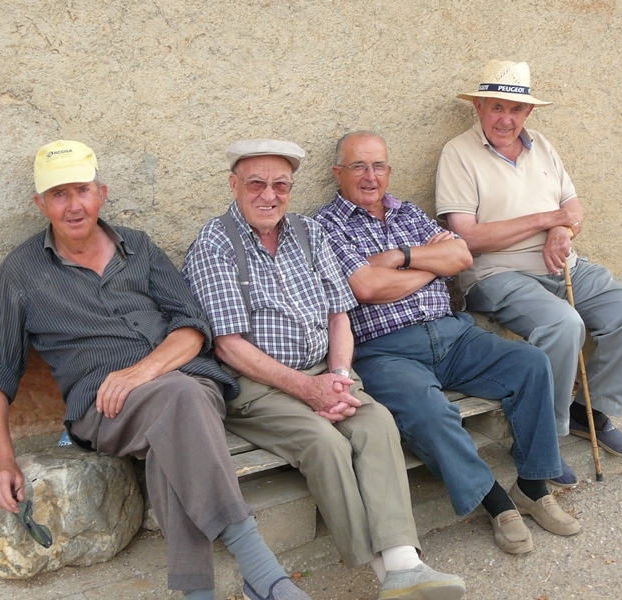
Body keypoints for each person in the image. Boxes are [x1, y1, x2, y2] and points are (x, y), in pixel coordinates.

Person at [0, 140, 311, 600]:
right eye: (59, 194)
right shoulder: (22, 271)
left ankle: (199, 593)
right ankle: (263, 572)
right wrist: (4, 462)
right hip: (105, 407)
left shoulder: (139, 247)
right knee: (179, 403)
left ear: (102, 193)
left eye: (82, 190)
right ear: (40, 204)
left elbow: (193, 326)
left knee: (175, 420)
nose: (74, 205)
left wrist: (141, 372)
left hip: (187, 383)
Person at [183, 138, 466, 600]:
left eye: (280, 185)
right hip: (256, 385)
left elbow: (339, 316)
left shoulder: (308, 232)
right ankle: (384, 572)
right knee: (325, 443)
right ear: (234, 185)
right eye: (256, 184)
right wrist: (307, 389)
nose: (269, 195)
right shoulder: (215, 244)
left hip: (324, 370)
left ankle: (405, 562)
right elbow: (229, 347)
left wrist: (338, 376)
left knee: (375, 422)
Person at [315, 131, 581, 556]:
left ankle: (533, 486)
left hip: (454, 334)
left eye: (378, 166)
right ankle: (495, 501)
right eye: (358, 166)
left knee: (530, 363)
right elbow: (366, 287)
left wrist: (401, 258)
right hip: (385, 350)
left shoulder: (407, 213)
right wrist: (431, 264)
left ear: (389, 171)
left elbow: (461, 257)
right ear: (337, 173)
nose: (370, 176)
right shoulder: (325, 226)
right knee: (429, 411)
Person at [435, 60, 622, 482]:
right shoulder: (458, 153)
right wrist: (547, 220)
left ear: (528, 112)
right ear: (478, 107)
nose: (506, 119)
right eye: (497, 107)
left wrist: (562, 229)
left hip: (563, 265)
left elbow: (573, 207)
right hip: (497, 274)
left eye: (516, 109)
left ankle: (590, 412)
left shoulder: (543, 146)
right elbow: (468, 237)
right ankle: (543, 440)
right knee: (563, 325)